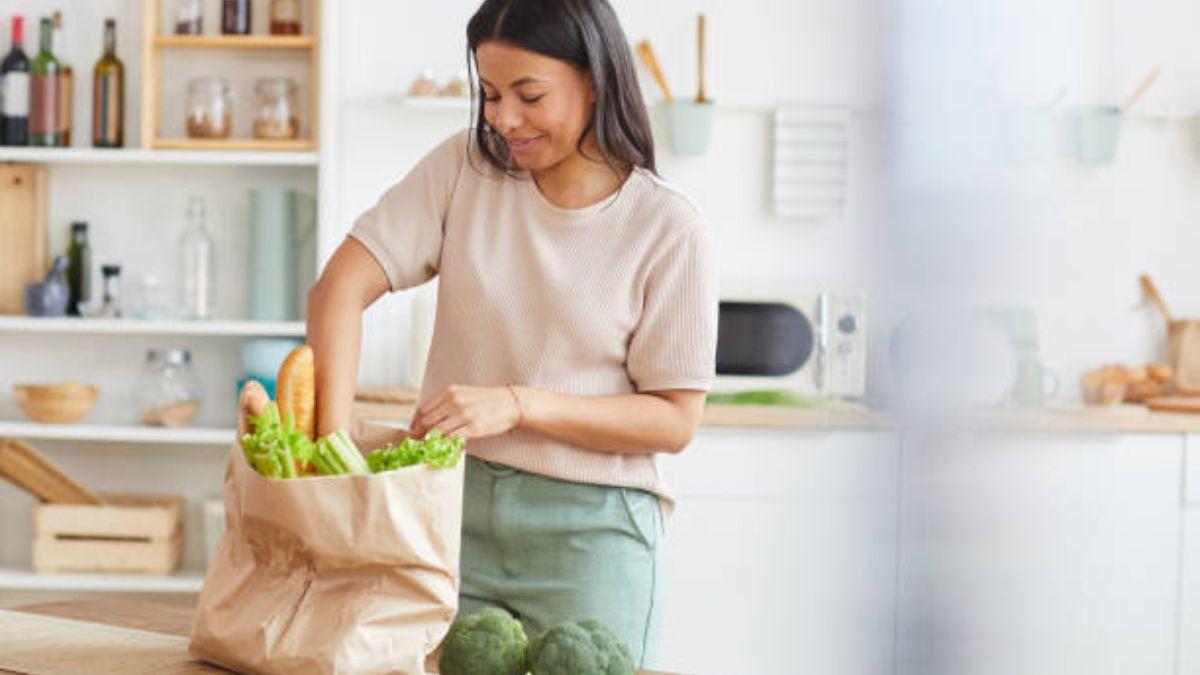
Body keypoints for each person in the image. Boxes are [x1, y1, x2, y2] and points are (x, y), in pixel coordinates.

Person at [305, 0, 716, 665]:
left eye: (529, 95)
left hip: (592, 530)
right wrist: (331, 451)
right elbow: (338, 290)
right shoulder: (467, 168)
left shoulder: (667, 226)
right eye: (490, 94)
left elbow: (674, 419)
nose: (503, 118)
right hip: (444, 510)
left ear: (596, 81)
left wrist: (519, 402)